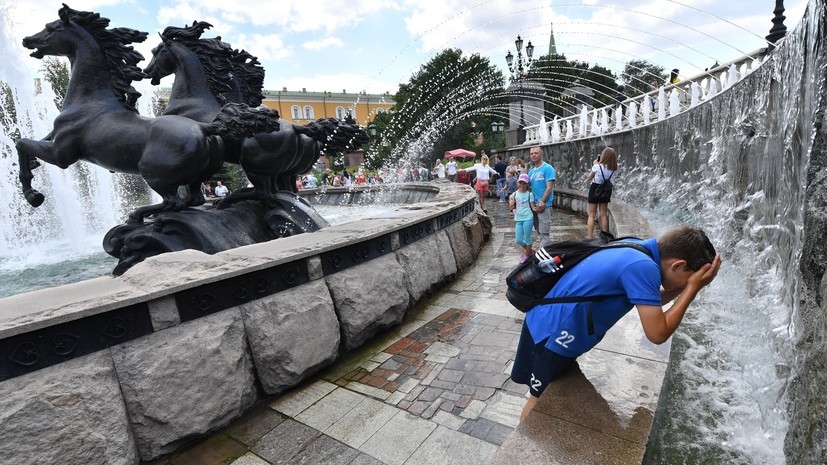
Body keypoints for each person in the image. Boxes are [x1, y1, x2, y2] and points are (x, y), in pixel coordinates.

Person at [511, 225, 721, 421]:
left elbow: (649, 301)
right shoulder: (643, 267)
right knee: (539, 404)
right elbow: (657, 334)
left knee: (543, 397)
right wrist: (692, 289)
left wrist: (687, 284)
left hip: (547, 321)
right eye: (688, 279)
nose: (688, 284)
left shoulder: (637, 249)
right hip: (552, 335)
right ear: (678, 265)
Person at [586, 147, 618, 238]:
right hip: (605, 190)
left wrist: (594, 165)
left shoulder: (597, 166)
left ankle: (590, 237)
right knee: (603, 214)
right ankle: (605, 236)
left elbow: (589, 178)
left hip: (595, 189)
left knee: (592, 214)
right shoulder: (613, 169)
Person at [527, 146, 555, 245]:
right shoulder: (531, 172)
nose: (533, 155)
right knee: (539, 232)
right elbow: (526, 188)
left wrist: (542, 202)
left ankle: (542, 258)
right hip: (534, 207)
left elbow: (549, 188)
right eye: (531, 153)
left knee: (544, 234)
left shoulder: (548, 168)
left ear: (541, 154)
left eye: (536, 153)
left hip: (544, 205)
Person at [509, 173, 537, 263]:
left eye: (524, 183)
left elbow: (533, 207)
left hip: (528, 218)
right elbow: (511, 206)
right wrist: (511, 203)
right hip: (518, 219)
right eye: (520, 182)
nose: (522, 185)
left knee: (527, 237)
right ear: (517, 183)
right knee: (518, 240)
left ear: (527, 184)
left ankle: (527, 255)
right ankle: (530, 251)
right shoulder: (514, 195)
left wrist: (540, 208)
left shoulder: (530, 194)